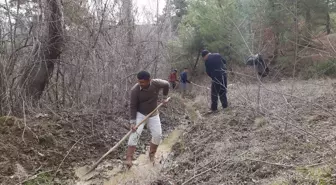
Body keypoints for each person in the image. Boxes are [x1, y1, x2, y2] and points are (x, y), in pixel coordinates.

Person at [125, 70, 170, 168]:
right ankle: (129, 158)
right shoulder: (135, 90)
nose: (140, 84)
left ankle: (151, 155)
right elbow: (132, 106)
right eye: (138, 82)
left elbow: (166, 84)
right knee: (135, 134)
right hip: (140, 114)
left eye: (142, 82)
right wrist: (133, 122)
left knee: (158, 135)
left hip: (154, 113)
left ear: (149, 80)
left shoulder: (156, 83)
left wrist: (164, 97)